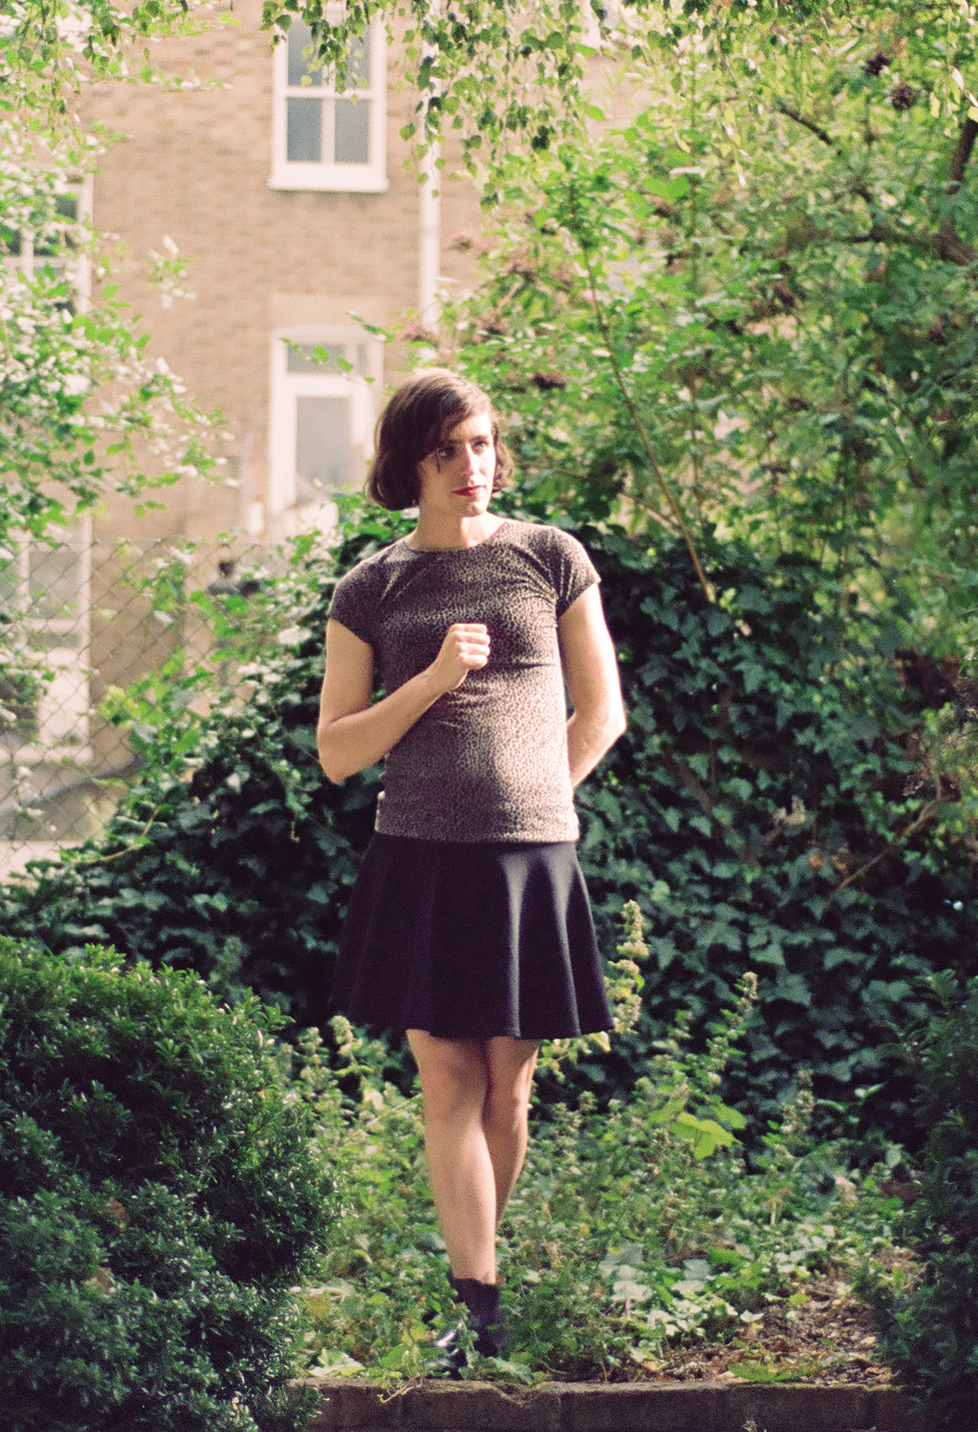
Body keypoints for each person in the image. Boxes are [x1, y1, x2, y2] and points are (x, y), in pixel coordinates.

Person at [316, 368, 626, 1370]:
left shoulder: (550, 556)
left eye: (482, 444)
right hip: (419, 857)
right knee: (446, 1080)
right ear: (409, 465)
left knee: (509, 1090)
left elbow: (602, 713)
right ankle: (480, 1307)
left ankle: (477, 1296)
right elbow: (337, 750)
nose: (471, 465)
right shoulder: (371, 588)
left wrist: (535, 800)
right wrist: (434, 679)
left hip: (528, 861)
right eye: (446, 450)